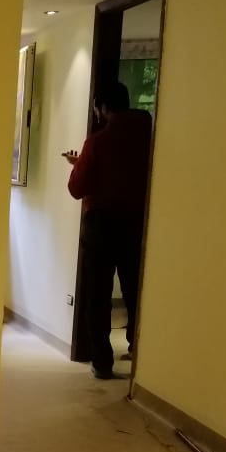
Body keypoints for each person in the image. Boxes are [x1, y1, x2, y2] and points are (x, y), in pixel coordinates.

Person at [63, 81, 153, 380]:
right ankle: (140, 352)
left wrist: (78, 166)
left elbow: (77, 188)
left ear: (103, 107)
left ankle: (102, 362)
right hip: (137, 223)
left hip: (101, 226)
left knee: (98, 295)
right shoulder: (150, 136)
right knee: (135, 290)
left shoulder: (98, 142)